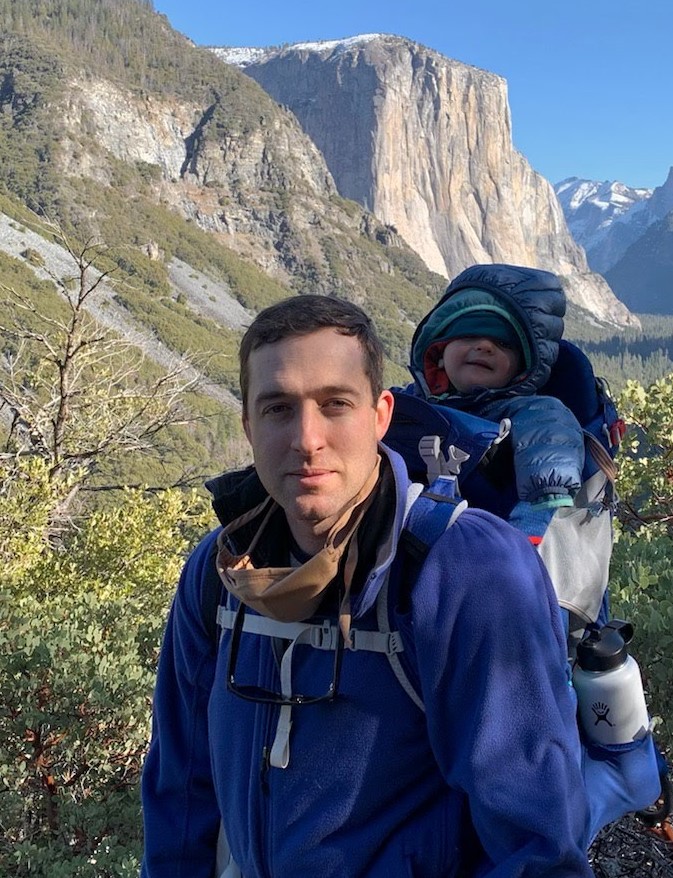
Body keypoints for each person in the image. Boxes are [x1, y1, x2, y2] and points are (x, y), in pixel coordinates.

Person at [140, 294, 594, 877]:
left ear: (381, 415)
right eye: (278, 408)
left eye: (335, 404)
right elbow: (180, 788)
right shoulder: (219, 570)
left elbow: (536, 848)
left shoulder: (465, 569)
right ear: (249, 426)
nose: (307, 439)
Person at [407, 263, 586, 541]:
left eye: (504, 343)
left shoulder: (535, 412)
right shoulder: (411, 400)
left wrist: (522, 542)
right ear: (439, 351)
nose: (485, 346)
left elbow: (549, 459)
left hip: (489, 548)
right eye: (469, 334)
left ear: (522, 367)